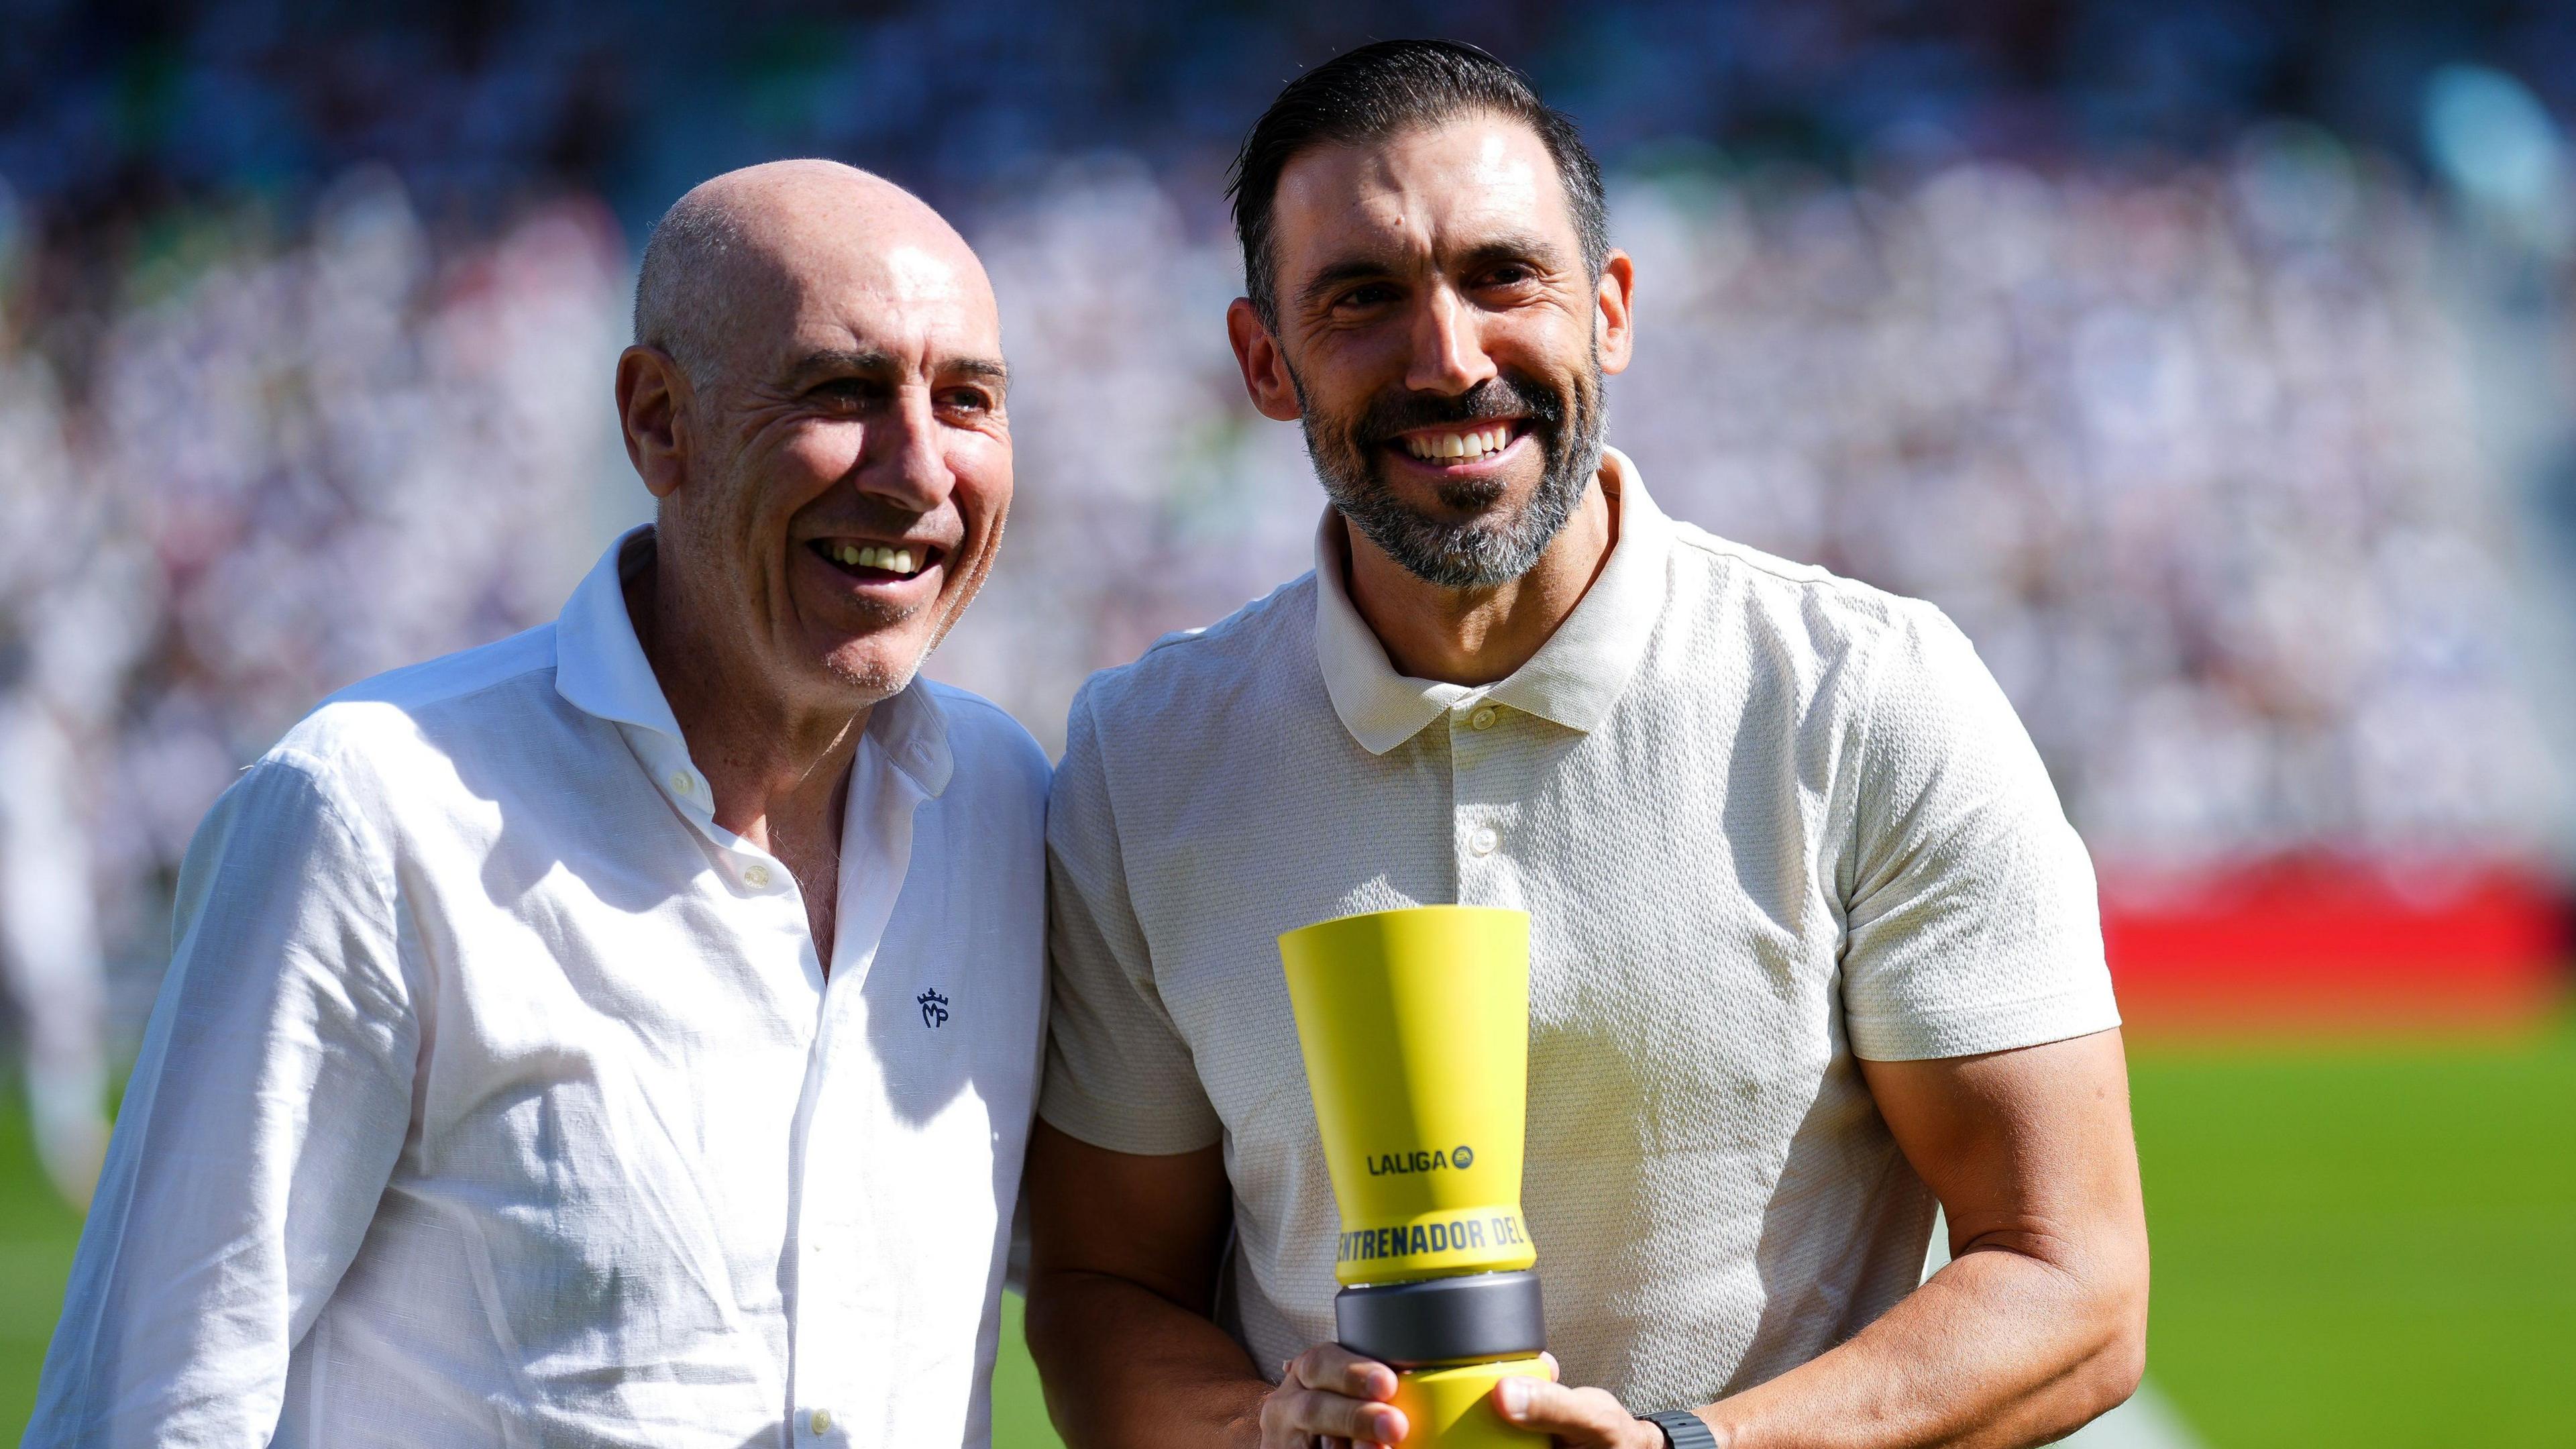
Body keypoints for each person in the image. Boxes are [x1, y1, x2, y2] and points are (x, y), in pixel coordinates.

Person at [1025, 40, 2149, 1449]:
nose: (1448, 357)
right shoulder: (1146, 761)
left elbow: (2075, 1282)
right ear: (1264, 361)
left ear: (1609, 311)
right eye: (1363, 298)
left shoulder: (1868, 694)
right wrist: (1252, 1432)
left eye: (1503, 277)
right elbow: (1100, 1287)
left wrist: (1701, 1447)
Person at [26, 160, 1051, 1448]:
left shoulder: (1011, 811)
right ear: (657, 422)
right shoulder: (369, 814)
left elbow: (1124, 1265)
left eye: (968, 400)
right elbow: (148, 1410)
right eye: (840, 391)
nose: (916, 468)